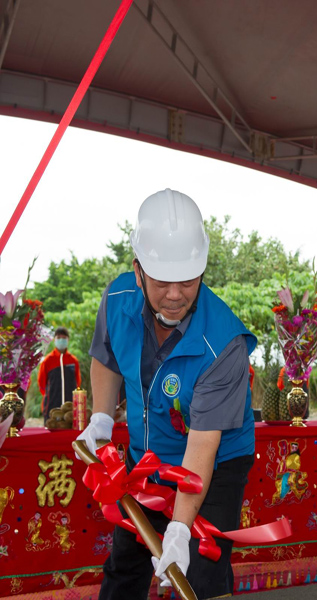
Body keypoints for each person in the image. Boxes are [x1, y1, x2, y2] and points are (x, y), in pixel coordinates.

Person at [76, 189, 257, 599]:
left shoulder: (224, 343)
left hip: (214, 462)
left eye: (187, 281)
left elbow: (203, 446)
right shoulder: (117, 300)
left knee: (201, 572)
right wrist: (101, 418)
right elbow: (107, 357)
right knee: (126, 563)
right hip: (145, 457)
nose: (175, 295)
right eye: (161, 281)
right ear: (138, 270)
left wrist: (178, 529)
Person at [37, 326, 81, 419]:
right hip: (51, 404)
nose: (61, 340)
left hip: (70, 405)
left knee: (70, 427)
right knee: (51, 426)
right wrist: (50, 395)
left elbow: (77, 381)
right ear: (54, 339)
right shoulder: (48, 360)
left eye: (64, 338)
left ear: (68, 340)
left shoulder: (73, 360)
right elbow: (41, 383)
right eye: (59, 337)